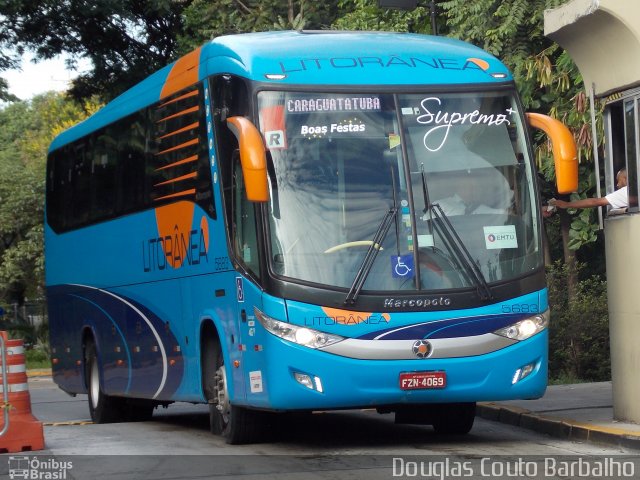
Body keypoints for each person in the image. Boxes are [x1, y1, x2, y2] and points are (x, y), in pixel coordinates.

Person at [549, 168, 628, 210]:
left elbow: (595, 202)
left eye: (619, 181)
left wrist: (567, 204)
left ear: (626, 179)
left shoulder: (626, 192)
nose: (617, 185)